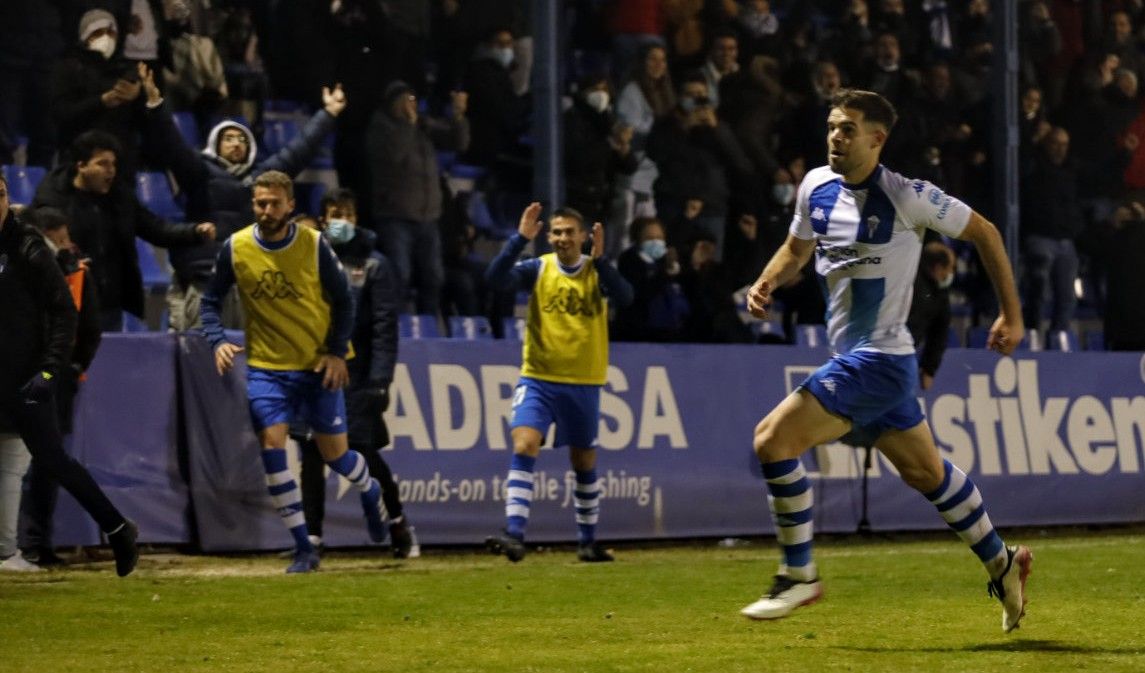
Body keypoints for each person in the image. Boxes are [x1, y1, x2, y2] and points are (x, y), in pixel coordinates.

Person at [738, 89, 1033, 633]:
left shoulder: (907, 196)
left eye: (848, 128)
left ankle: (798, 574)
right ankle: (1002, 561)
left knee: (771, 440)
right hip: (868, 362)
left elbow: (986, 233)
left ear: (878, 139)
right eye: (831, 126)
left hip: (879, 359)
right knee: (927, 474)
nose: (835, 136)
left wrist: (1010, 316)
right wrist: (767, 281)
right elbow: (797, 249)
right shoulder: (814, 187)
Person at [200, 171, 388, 573]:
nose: (266, 211)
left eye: (273, 203)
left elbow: (345, 302)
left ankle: (369, 490)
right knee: (272, 448)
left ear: (289, 206)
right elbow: (210, 299)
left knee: (335, 456)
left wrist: (337, 353)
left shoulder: (314, 245)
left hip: (316, 365)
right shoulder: (236, 247)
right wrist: (216, 339)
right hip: (267, 368)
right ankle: (304, 547)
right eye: (259, 204)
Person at [0, 173, 138, 577]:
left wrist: (49, 370)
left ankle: (117, 529)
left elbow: (64, 313)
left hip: (27, 377)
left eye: (2, 193)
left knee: (52, 459)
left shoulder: (27, 247)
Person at [483, 203, 634, 563]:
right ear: (548, 237)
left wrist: (602, 262)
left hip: (584, 380)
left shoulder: (596, 272)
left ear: (583, 236)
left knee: (583, 460)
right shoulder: (539, 268)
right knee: (524, 443)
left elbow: (627, 298)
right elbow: (493, 280)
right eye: (557, 232)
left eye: (570, 232)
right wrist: (518, 239)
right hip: (538, 377)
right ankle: (515, 533)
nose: (563, 238)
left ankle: (587, 540)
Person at [141, 67, 346, 331]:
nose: (236, 144)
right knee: (202, 360)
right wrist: (156, 106)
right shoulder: (199, 171)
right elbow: (173, 146)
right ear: (215, 143)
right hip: (206, 282)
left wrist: (328, 114)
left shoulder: (262, 179)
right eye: (229, 139)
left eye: (242, 139)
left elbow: (300, 150)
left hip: (251, 285)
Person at [293, 188, 414, 558]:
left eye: (345, 213)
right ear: (323, 217)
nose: (339, 220)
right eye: (332, 213)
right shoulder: (310, 261)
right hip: (313, 373)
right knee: (312, 456)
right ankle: (311, 538)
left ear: (355, 218)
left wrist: (380, 380)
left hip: (357, 378)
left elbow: (383, 327)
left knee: (361, 452)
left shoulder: (373, 266)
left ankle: (396, 523)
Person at [31, 129, 216, 330]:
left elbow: (155, 228)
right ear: (81, 166)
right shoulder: (52, 201)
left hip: (110, 304)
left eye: (113, 164)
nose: (111, 171)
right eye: (102, 163)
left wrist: (194, 232)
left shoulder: (120, 198)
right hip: (68, 301)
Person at [18, 207, 103, 567]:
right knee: (47, 459)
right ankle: (34, 542)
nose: (68, 244)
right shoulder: (70, 271)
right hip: (54, 375)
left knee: (37, 460)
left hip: (32, 372)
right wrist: (70, 366)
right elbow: (87, 327)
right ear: (53, 235)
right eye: (64, 237)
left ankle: (27, 543)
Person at [907, 239, 956, 390]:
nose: (950, 273)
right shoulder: (911, 285)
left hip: (904, 354)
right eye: (950, 268)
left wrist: (929, 368)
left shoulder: (939, 291)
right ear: (938, 267)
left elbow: (939, 332)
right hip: (892, 353)